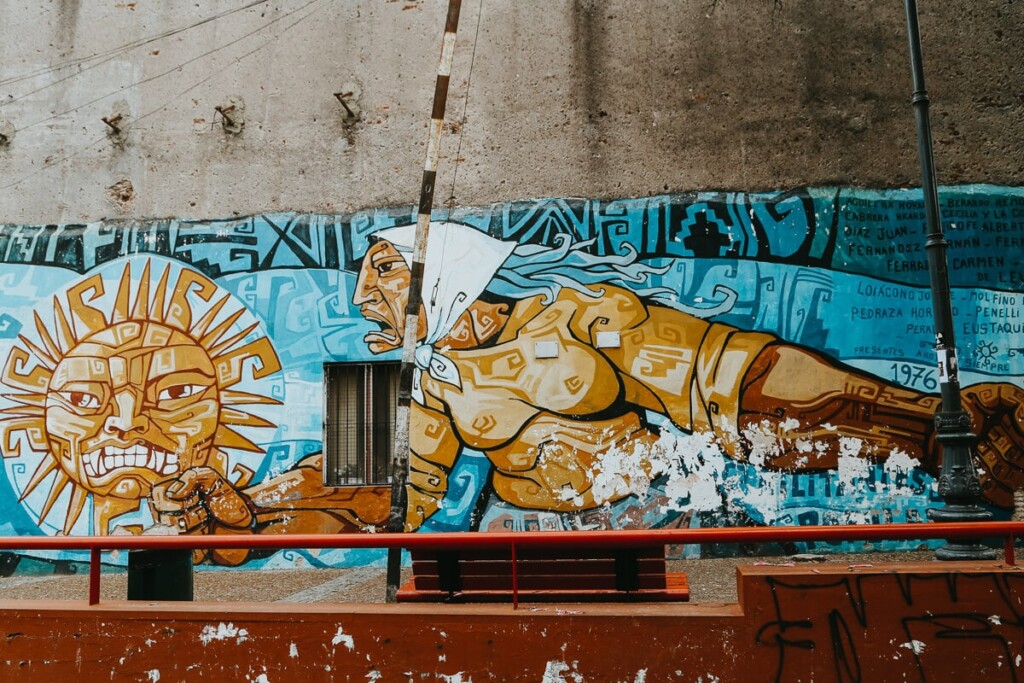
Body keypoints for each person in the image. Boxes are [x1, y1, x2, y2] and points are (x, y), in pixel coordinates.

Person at [150, 222, 1024, 562]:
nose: (361, 296)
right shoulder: (407, 375)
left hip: (659, 529)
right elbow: (374, 492)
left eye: (385, 269)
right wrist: (255, 512)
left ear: (447, 266)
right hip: (524, 551)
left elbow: (745, 385)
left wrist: (921, 424)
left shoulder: (584, 317)